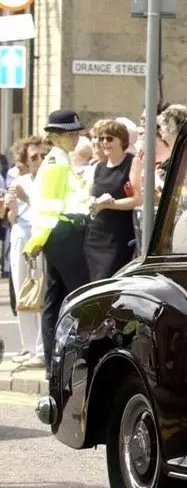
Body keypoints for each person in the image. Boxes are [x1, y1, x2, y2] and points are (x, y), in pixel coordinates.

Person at [26, 109, 92, 370]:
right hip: (62, 234)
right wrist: (37, 241)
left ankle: (55, 357)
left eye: (76, 133)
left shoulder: (60, 160)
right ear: (54, 136)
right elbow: (48, 208)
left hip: (62, 233)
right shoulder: (56, 163)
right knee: (81, 293)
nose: (75, 137)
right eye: (69, 133)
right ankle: (81, 353)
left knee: (57, 296)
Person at [84, 120, 141, 280]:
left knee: (110, 280)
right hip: (95, 235)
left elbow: (137, 199)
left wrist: (110, 204)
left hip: (118, 236)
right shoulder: (99, 167)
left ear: (122, 140)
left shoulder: (132, 162)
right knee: (94, 284)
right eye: (101, 139)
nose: (104, 143)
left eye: (109, 139)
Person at [5, 137, 45, 364]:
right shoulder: (19, 180)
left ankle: (40, 348)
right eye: (34, 157)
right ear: (25, 161)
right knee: (22, 289)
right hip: (21, 233)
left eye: (42, 156)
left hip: (39, 235)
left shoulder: (45, 181)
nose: (39, 160)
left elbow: (42, 207)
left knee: (40, 288)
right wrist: (11, 204)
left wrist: (25, 197)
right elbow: (11, 217)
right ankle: (28, 346)